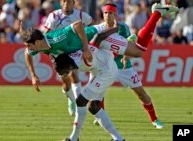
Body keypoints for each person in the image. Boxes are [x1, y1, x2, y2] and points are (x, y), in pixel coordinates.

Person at [21, 3, 179, 140]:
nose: (29, 49)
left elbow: (78, 25)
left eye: (29, 45)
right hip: (97, 56)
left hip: (96, 38)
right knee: (93, 102)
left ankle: (156, 13)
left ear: (37, 41)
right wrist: (33, 75)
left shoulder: (56, 39)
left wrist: (86, 47)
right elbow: (28, 53)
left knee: (138, 52)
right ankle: (112, 136)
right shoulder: (39, 47)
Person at [94, 3, 164, 129]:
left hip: (123, 67)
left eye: (111, 13)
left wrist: (126, 57)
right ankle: (100, 116)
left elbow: (129, 44)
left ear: (115, 15)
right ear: (103, 14)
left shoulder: (123, 28)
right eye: (105, 13)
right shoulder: (98, 29)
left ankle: (154, 119)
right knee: (97, 91)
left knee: (140, 93)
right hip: (105, 67)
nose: (108, 15)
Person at [25, 0, 93, 116]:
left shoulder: (82, 15)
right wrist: (33, 75)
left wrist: (86, 47)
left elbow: (88, 29)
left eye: (69, 1)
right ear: (61, 3)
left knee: (73, 74)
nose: (67, 4)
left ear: (74, 3)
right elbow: (45, 35)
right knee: (66, 81)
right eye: (64, 1)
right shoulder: (54, 15)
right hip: (57, 50)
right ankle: (70, 98)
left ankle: (78, 104)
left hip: (74, 48)